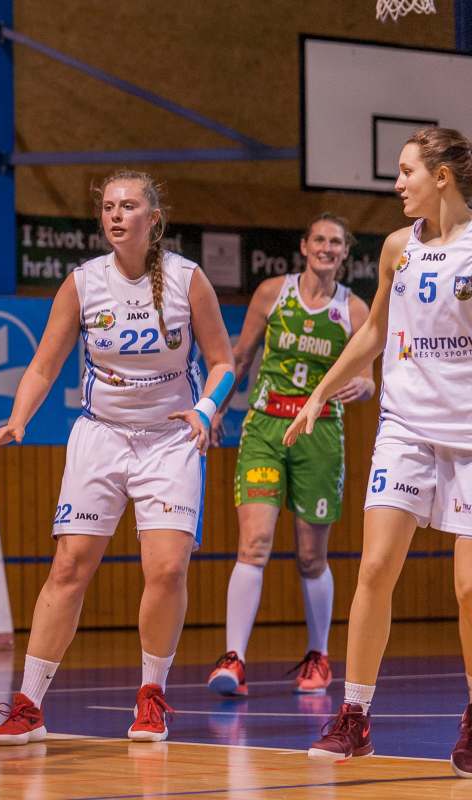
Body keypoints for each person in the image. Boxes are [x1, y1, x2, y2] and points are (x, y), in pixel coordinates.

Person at [0, 170, 235, 746]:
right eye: (108, 207)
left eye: (128, 206)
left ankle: (151, 695)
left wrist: (205, 410)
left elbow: (222, 363)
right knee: (69, 567)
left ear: (153, 218)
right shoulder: (82, 283)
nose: (116, 216)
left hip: (171, 439)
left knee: (167, 569)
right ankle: (29, 705)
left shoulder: (188, 279)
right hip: (101, 436)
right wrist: (18, 418)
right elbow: (44, 365)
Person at [284, 128, 472, 770]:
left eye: (406, 171)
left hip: (468, 434)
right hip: (405, 427)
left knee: (468, 589)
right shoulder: (399, 247)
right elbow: (372, 333)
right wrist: (319, 393)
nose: (396, 184)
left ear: (441, 177)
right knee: (373, 569)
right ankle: (354, 716)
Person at [206, 214, 374, 697]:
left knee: (310, 555)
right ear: (304, 246)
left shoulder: (353, 309)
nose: (326, 247)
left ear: (345, 252)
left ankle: (318, 656)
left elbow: (368, 377)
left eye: (335, 242)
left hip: (319, 432)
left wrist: (363, 386)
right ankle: (233, 658)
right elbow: (240, 357)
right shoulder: (272, 293)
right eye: (319, 239)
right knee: (254, 543)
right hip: (266, 426)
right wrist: (215, 408)